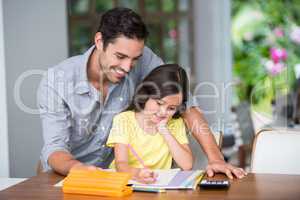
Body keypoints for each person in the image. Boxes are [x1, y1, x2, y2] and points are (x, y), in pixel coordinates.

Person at [38, 7, 246, 179]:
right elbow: (55, 148)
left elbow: (186, 105)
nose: (128, 67)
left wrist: (216, 158)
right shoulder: (57, 80)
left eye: (135, 59)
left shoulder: (143, 58)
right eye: (120, 56)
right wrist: (81, 170)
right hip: (66, 175)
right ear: (100, 41)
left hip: (120, 179)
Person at [106, 64, 193, 183]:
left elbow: (187, 165)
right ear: (146, 94)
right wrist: (138, 174)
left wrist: (163, 130)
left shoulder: (175, 123)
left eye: (171, 108)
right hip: (125, 184)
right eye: (159, 103)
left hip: (157, 187)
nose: (163, 112)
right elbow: (121, 165)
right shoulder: (124, 120)